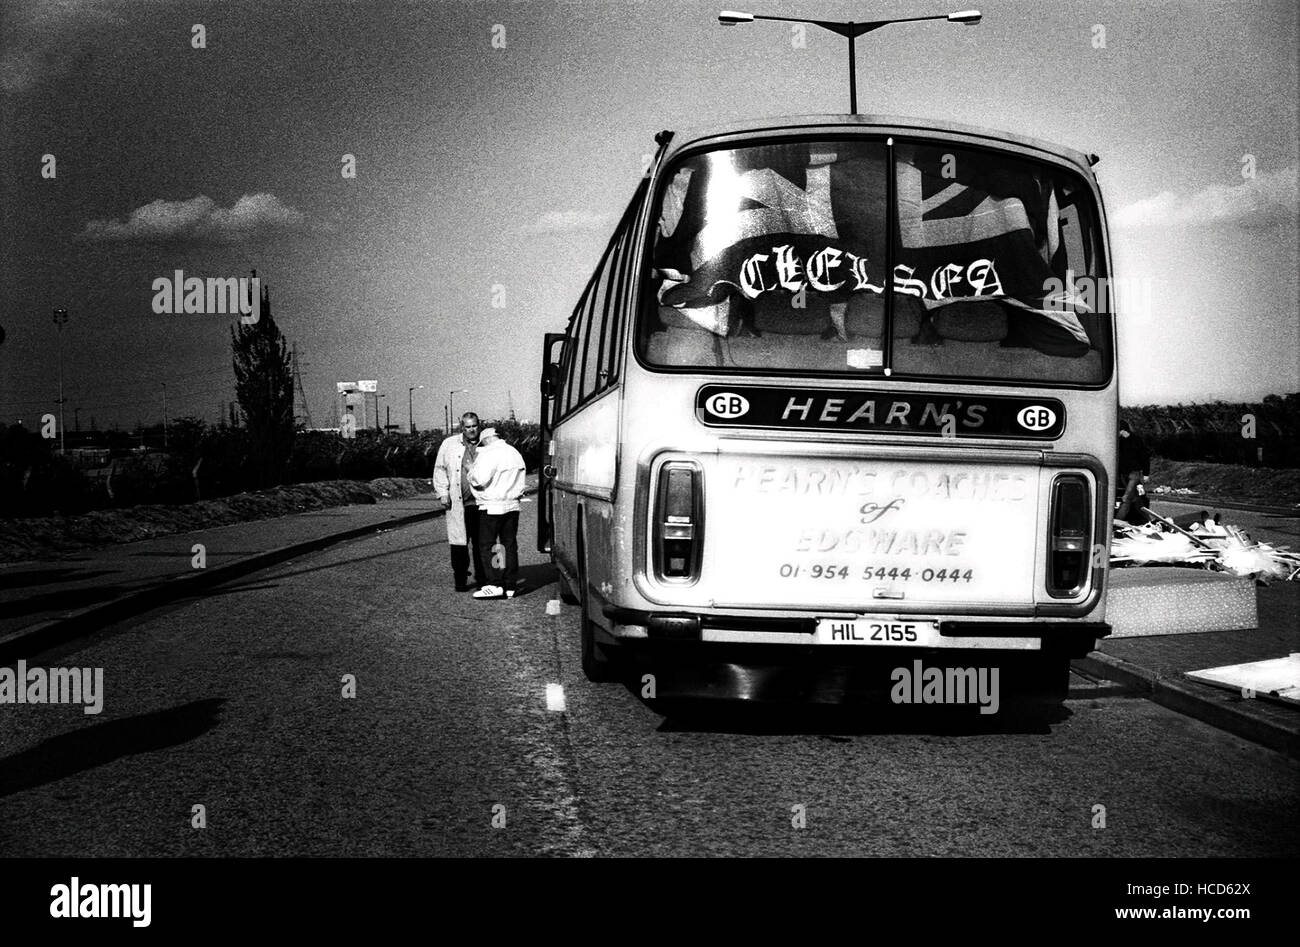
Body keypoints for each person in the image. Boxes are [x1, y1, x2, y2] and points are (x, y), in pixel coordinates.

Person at [468, 426, 526, 600]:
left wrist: (470, 469)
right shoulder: (514, 452)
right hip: (512, 505)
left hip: (492, 506)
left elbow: (479, 479)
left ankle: (495, 583)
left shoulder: (489, 454)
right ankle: (510, 585)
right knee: (509, 545)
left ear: (485, 440)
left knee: (488, 546)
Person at [432, 412, 486, 591]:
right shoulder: (449, 444)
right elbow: (439, 469)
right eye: (468, 426)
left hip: (481, 503)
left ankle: (483, 579)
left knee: (482, 543)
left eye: (474, 426)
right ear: (462, 427)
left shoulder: (487, 443)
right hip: (457, 504)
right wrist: (443, 493)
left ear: (479, 425)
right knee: (458, 544)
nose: (471, 430)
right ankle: (460, 579)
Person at [1115, 420, 1151, 525]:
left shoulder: (1136, 440)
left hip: (1134, 474)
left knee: (1126, 498)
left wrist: (1146, 474)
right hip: (1123, 474)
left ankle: (1117, 522)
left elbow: (1145, 457)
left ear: (1122, 430)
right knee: (1135, 498)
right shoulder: (1119, 442)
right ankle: (1147, 520)